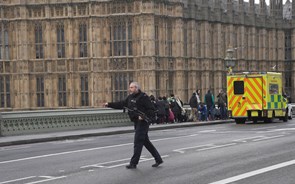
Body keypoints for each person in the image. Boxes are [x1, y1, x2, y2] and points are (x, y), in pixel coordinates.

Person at [104, 82, 163, 169]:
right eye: (130, 87)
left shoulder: (144, 97)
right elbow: (121, 104)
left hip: (143, 122)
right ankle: (158, 159)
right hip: (136, 121)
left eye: (131, 87)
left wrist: (143, 116)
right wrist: (109, 104)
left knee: (138, 142)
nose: (130, 89)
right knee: (146, 142)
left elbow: (151, 109)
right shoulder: (130, 97)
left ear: (137, 88)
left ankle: (133, 163)